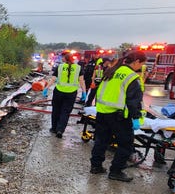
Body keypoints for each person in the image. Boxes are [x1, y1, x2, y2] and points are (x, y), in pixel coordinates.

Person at [89, 51, 146, 182]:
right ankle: (116, 171)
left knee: (101, 141)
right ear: (136, 61)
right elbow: (133, 102)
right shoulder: (131, 77)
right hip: (118, 116)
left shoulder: (111, 71)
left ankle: (96, 166)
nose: (141, 67)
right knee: (126, 144)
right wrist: (136, 117)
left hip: (102, 112)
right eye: (141, 64)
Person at [49, 53, 83, 138]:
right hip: (71, 93)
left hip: (59, 92)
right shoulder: (78, 68)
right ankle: (60, 129)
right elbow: (82, 81)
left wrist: (46, 87)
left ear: (65, 58)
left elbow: (53, 79)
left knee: (56, 110)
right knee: (65, 112)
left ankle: (54, 128)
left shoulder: (60, 67)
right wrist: (84, 92)